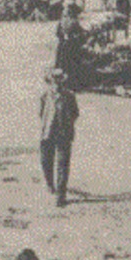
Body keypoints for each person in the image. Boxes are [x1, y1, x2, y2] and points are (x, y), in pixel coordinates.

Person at [39, 68, 78, 207]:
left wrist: (66, 125)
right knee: (46, 161)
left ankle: (61, 196)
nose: (56, 84)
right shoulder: (45, 96)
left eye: (59, 80)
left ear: (63, 81)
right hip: (47, 134)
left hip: (64, 134)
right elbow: (41, 113)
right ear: (50, 81)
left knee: (63, 165)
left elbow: (75, 113)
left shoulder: (69, 96)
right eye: (54, 81)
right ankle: (50, 184)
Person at [52, 5, 86, 86]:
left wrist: (63, 39)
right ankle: (72, 80)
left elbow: (58, 33)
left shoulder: (61, 22)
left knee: (61, 62)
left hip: (62, 45)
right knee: (72, 64)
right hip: (72, 46)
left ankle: (60, 76)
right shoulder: (74, 22)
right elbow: (80, 35)